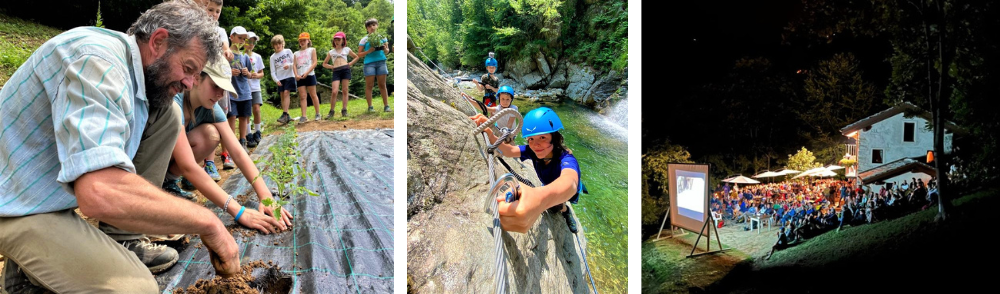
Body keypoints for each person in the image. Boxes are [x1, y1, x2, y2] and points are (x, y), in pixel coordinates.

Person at [0, 1, 239, 292]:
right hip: (14, 203)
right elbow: (99, 192)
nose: (190, 83)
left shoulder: (137, 73)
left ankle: (123, 238)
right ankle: (27, 278)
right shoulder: (98, 63)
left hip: (46, 194)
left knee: (168, 114)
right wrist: (208, 221)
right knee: (135, 289)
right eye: (188, 68)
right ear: (159, 41)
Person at [165, 56, 293, 233]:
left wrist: (266, 196)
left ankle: (168, 183)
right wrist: (239, 211)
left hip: (172, 157)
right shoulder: (175, 102)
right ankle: (155, 186)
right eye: (215, 86)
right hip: (150, 161)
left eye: (224, 89)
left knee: (210, 134)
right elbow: (188, 166)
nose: (220, 94)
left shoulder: (211, 107)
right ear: (196, 78)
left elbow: (238, 152)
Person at [470, 107, 583, 233]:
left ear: (554, 137)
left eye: (542, 138)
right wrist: (490, 132)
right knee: (552, 205)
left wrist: (539, 197)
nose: (535, 144)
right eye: (531, 139)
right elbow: (509, 151)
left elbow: (570, 182)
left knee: (557, 206)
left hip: (561, 189)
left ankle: (566, 211)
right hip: (548, 183)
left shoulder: (566, 158)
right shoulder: (532, 151)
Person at [225, 26, 253, 162]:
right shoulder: (226, 55)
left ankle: (242, 141)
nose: (241, 41)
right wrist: (229, 72)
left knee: (244, 117)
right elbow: (219, 71)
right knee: (232, 117)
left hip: (245, 92)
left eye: (243, 39)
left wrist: (247, 73)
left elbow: (250, 74)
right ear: (232, 37)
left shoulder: (245, 57)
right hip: (231, 93)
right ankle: (232, 145)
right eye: (239, 38)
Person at [321, 31, 359, 119]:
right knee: (334, 91)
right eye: (335, 39)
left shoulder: (346, 49)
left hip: (345, 69)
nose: (337, 41)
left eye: (339, 39)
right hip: (336, 71)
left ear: (343, 40)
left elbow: (356, 57)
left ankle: (344, 110)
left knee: (345, 90)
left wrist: (350, 64)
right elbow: (324, 63)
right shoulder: (331, 52)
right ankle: (331, 111)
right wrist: (332, 67)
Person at [357, 18, 391, 112]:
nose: (372, 27)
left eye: (373, 25)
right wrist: (368, 51)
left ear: (377, 26)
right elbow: (359, 54)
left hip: (381, 62)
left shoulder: (382, 37)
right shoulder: (364, 39)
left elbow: (387, 51)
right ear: (367, 28)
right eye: (369, 26)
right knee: (369, 85)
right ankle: (370, 107)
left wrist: (385, 49)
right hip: (369, 64)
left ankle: (386, 106)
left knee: (382, 84)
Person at [270, 34, 299, 124]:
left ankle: (285, 114)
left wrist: (289, 65)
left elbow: (295, 62)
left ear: (283, 44)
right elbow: (272, 71)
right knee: (282, 95)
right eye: (276, 44)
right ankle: (287, 116)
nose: (278, 45)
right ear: (273, 46)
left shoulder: (288, 51)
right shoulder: (272, 57)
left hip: (289, 76)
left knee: (286, 93)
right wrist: (276, 80)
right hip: (280, 78)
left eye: (279, 43)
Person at [294, 32, 321, 122]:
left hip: (310, 75)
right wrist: (296, 75)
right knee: (302, 96)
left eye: (304, 40)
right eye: (300, 40)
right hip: (300, 76)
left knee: (313, 94)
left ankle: (317, 113)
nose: (302, 42)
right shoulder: (296, 53)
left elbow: (315, 63)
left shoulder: (312, 50)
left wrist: (307, 72)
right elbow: (294, 65)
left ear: (308, 41)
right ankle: (304, 116)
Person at [246, 31, 265, 148]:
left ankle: (257, 132)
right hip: (244, 88)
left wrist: (257, 75)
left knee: (256, 109)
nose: (251, 44)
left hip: (255, 87)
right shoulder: (241, 56)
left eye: (253, 42)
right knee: (247, 112)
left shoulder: (257, 57)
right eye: (249, 41)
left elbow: (261, 73)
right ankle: (248, 134)